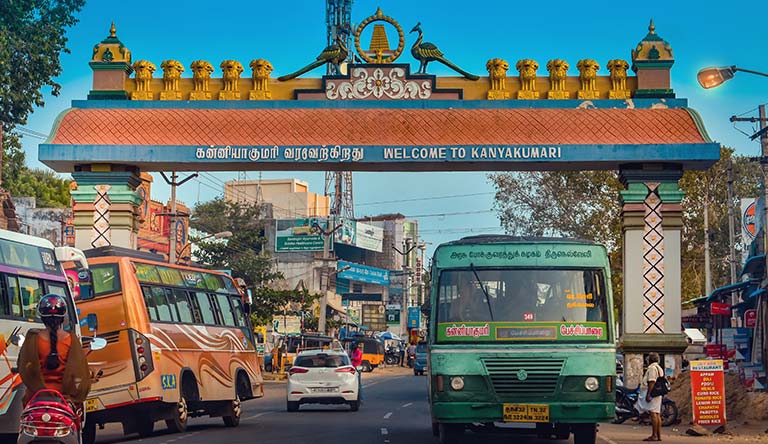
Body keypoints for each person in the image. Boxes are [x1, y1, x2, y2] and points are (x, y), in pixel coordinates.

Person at [18, 294, 90, 406]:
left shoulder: (33, 340)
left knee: (26, 422)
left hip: (35, 400)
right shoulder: (71, 340)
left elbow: (24, 367)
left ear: (42, 317)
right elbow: (78, 371)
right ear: (63, 317)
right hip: (64, 402)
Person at [635, 352, 664, 442]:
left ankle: (654, 435)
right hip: (657, 393)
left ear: (649, 360)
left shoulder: (652, 368)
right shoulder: (659, 368)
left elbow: (652, 381)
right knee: (657, 413)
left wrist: (648, 394)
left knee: (653, 414)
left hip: (652, 393)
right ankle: (658, 435)